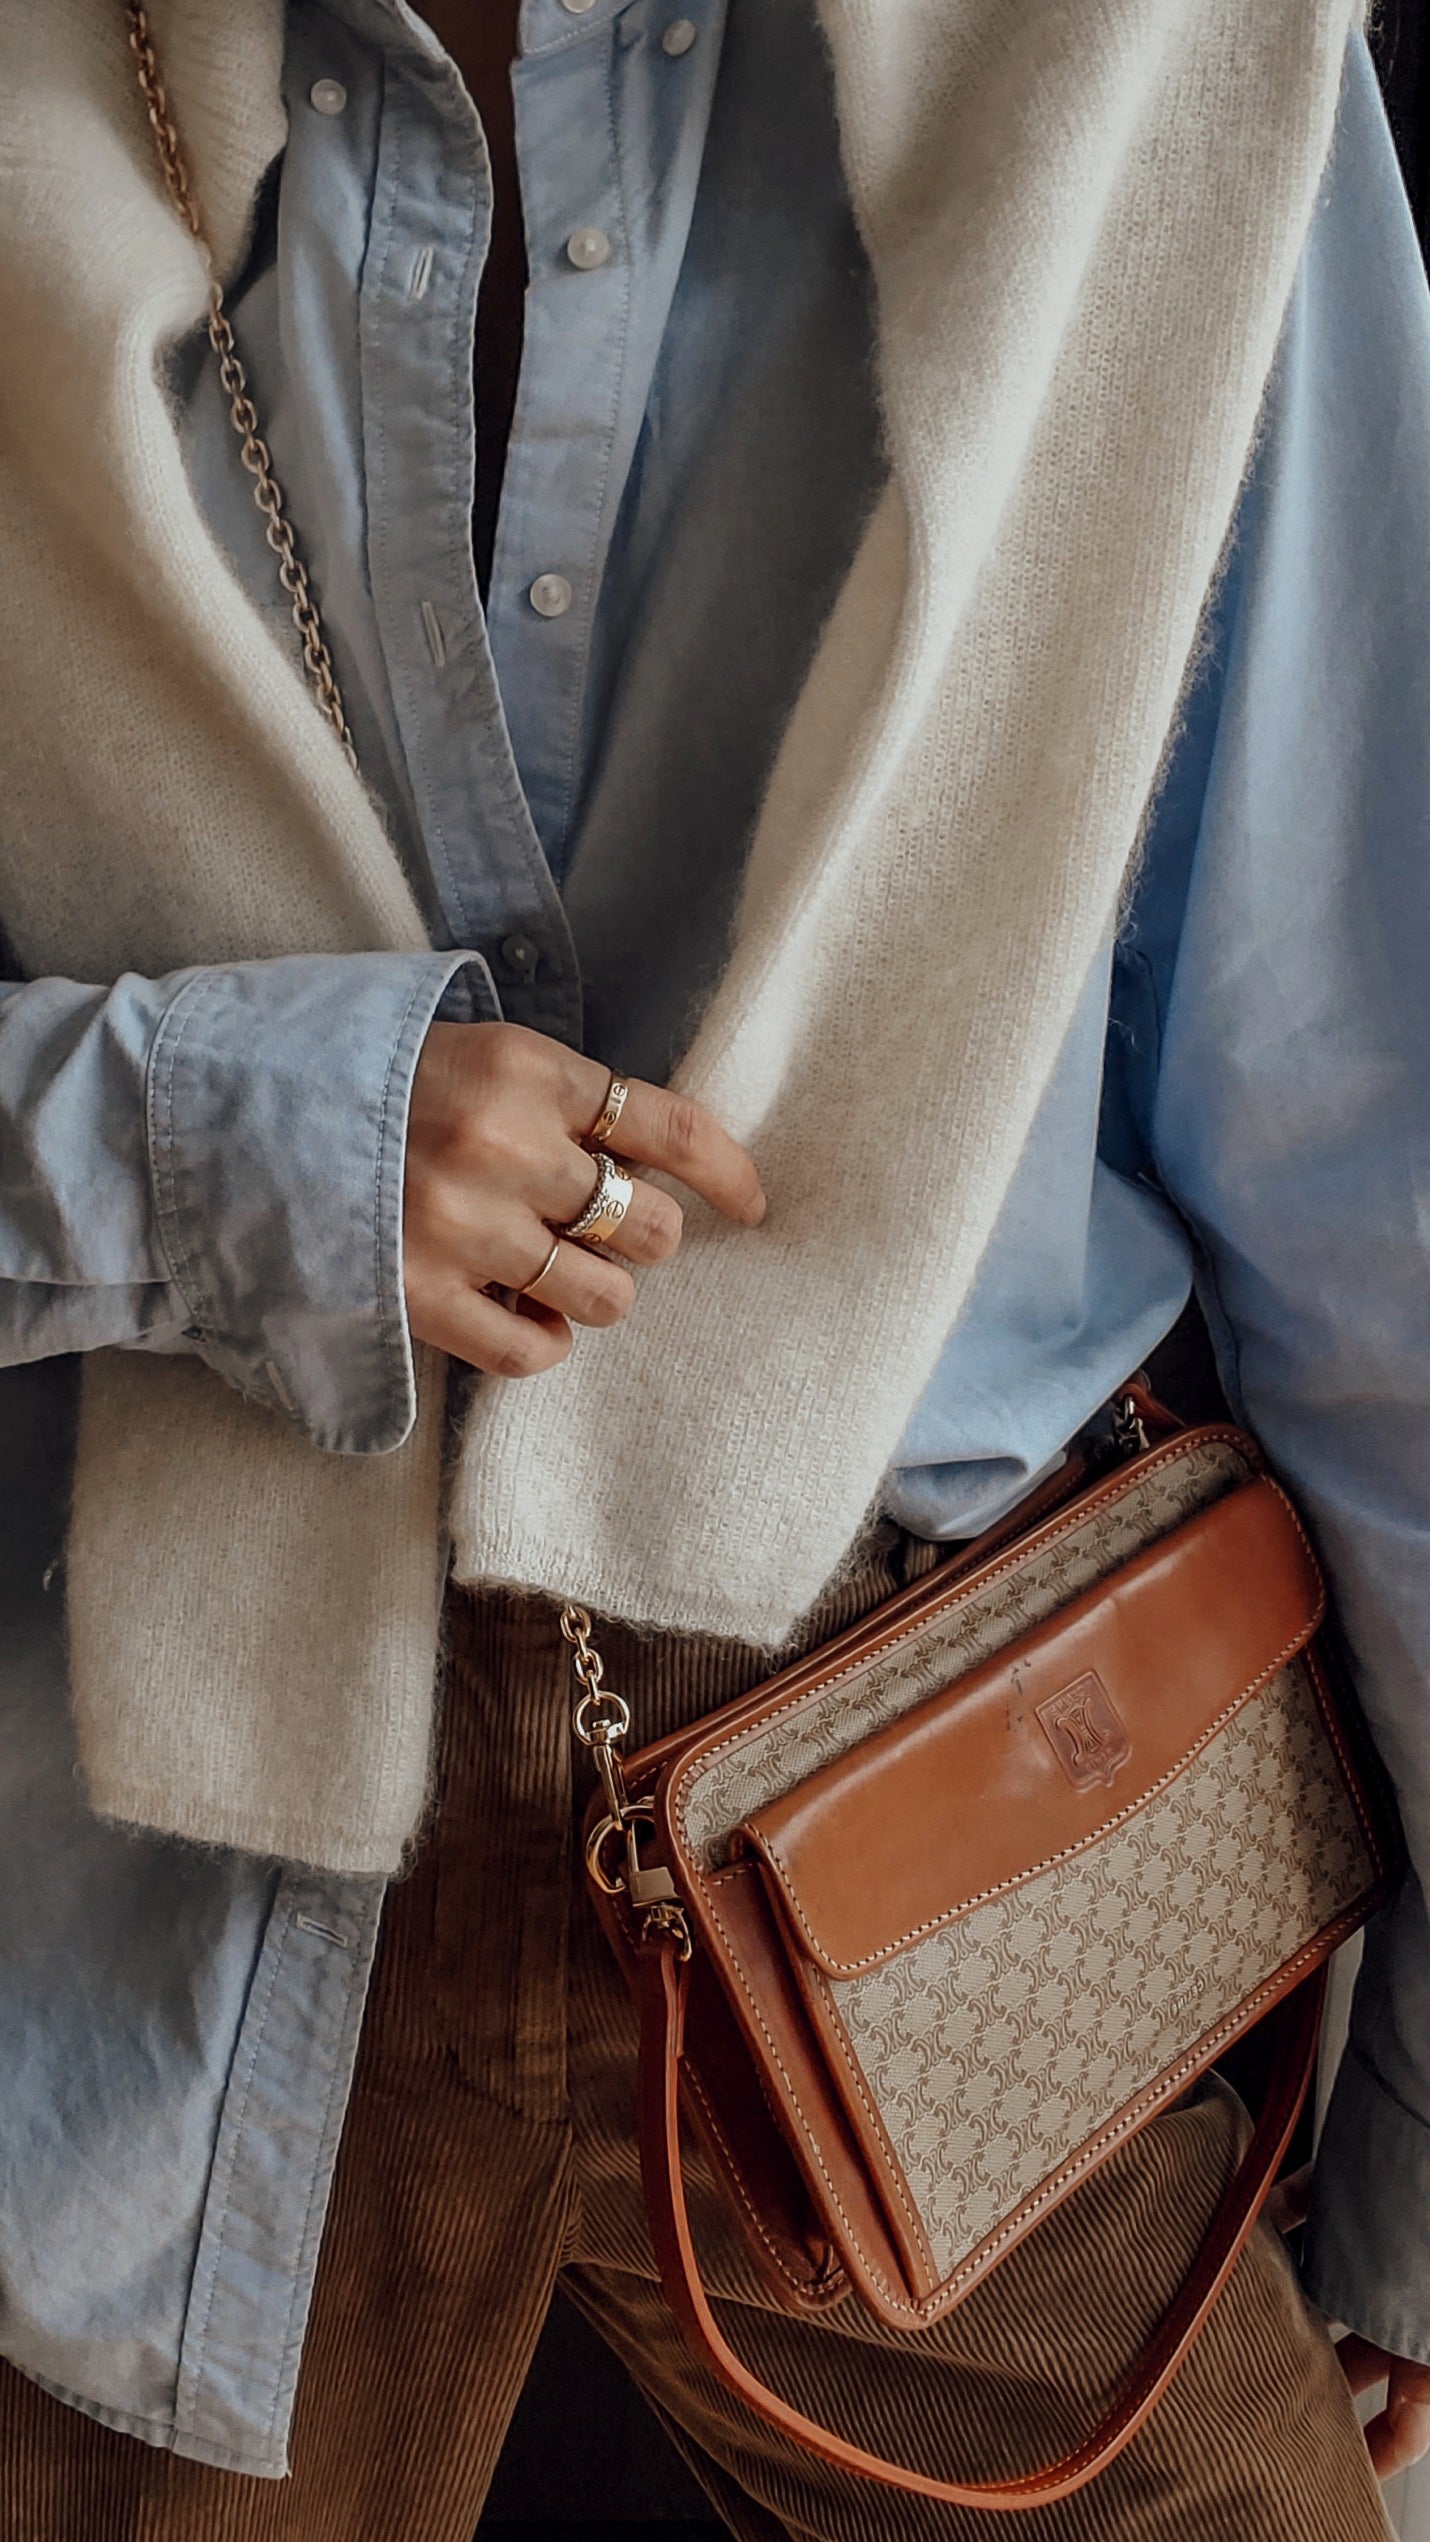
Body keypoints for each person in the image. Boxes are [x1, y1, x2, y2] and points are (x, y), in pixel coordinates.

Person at [1, 0, 1428, 2533]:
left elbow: (1366, 1134)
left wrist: (1424, 2136)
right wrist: (224, 1139)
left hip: (949, 1784)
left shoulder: (1163, 69)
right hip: (158, 1811)